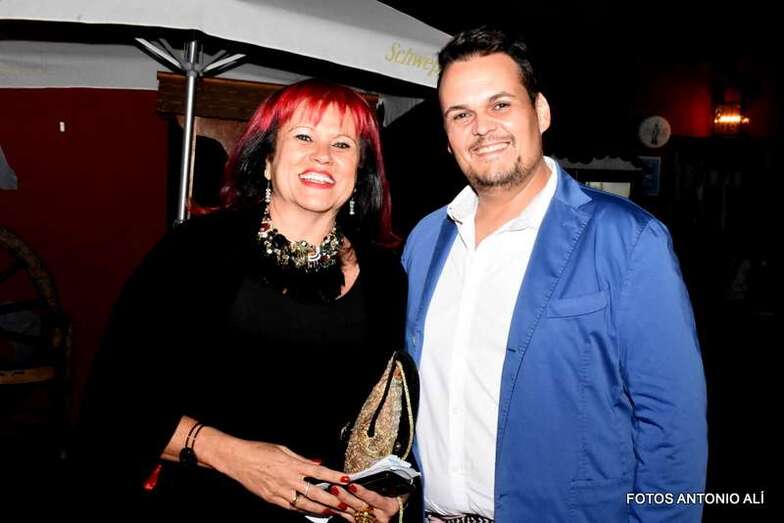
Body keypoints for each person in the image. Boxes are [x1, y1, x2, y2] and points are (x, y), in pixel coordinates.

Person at [402, 27, 707, 522]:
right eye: (461, 114)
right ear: (448, 136)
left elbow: (673, 426)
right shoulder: (425, 240)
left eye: (500, 104)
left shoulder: (627, 240)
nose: (482, 128)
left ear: (540, 112)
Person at [74, 79, 409, 522]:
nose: (323, 156)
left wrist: (381, 493)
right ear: (267, 159)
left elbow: (380, 421)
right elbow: (113, 403)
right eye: (303, 136)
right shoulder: (194, 251)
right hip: (192, 503)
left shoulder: (385, 277)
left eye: (342, 144)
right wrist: (235, 456)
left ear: (360, 170)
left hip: (318, 514)